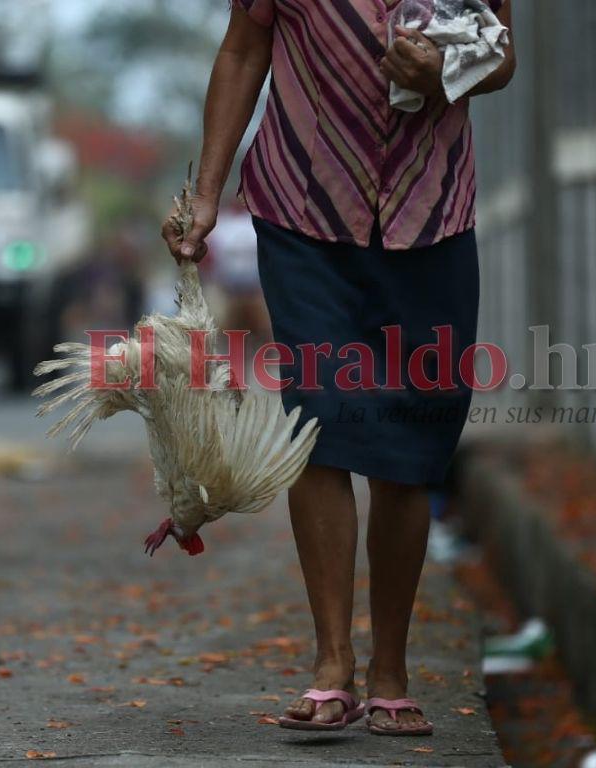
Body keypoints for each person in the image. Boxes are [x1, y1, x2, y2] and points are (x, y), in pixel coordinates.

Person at [162, 0, 515, 737]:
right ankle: (333, 663)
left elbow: (501, 56)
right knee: (317, 417)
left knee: (410, 443)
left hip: (433, 214)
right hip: (304, 210)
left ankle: (391, 669)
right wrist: (205, 196)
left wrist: (448, 72)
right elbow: (241, 52)